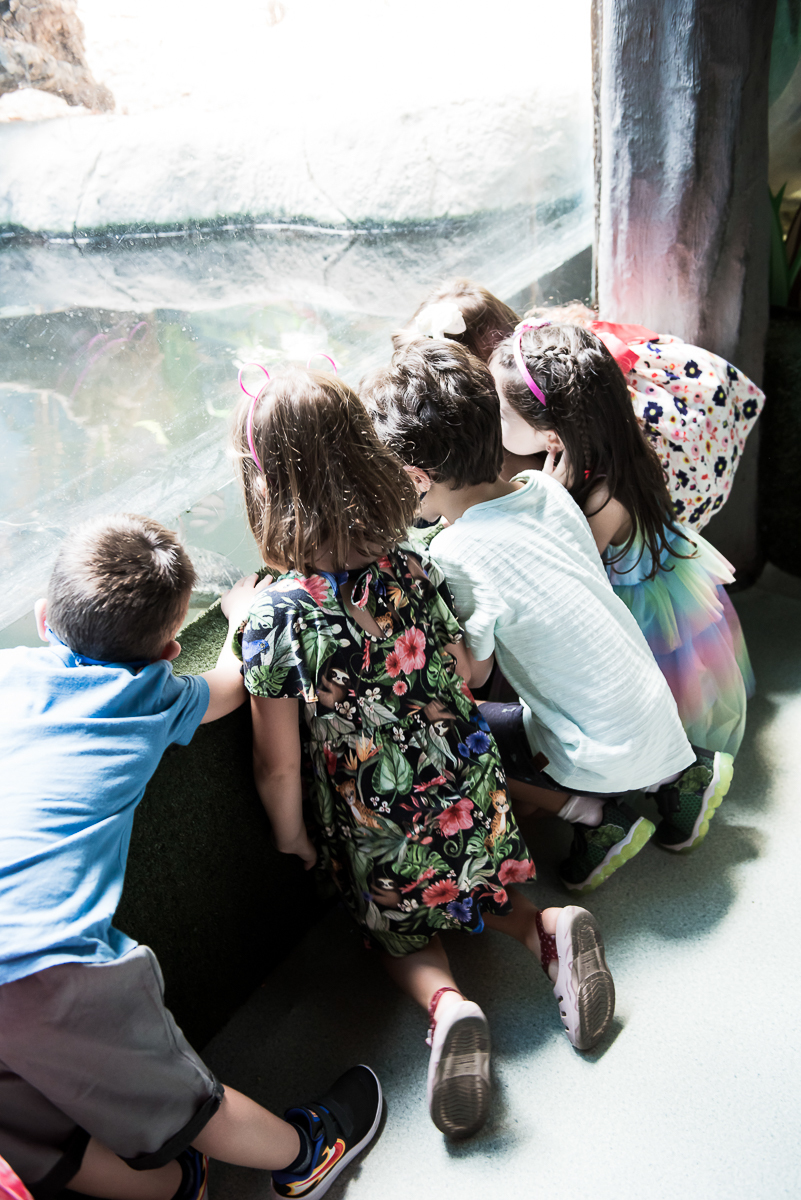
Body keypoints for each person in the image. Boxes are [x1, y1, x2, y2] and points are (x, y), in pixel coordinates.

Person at [229, 367, 616, 1141]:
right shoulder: (416, 561)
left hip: (378, 813)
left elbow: (277, 762)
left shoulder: (276, 616)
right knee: (484, 885)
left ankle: (447, 1006)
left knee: (400, 933)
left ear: (265, 485)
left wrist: (290, 834)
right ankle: (547, 929)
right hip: (469, 781)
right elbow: (466, 673)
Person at [0, 514, 382, 1200]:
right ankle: (306, 1156)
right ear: (171, 647)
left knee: (22, 1124)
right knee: (182, 1097)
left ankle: (172, 1187)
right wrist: (236, 614)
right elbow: (233, 685)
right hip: (46, 963)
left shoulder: (7, 676)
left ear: (40, 618)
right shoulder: (145, 694)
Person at [362, 338, 735, 895]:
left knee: (459, 732)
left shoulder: (454, 555)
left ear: (416, 478)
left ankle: (597, 817)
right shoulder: (545, 488)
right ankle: (684, 776)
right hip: (658, 709)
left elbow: (477, 674)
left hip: (599, 751)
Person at [490, 321, 753, 760]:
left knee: (664, 703)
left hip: (645, 613)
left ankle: (684, 774)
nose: (492, 416)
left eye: (500, 412)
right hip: (640, 579)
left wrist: (551, 498)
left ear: (552, 436)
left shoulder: (603, 496)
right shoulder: (603, 446)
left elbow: (574, 571)